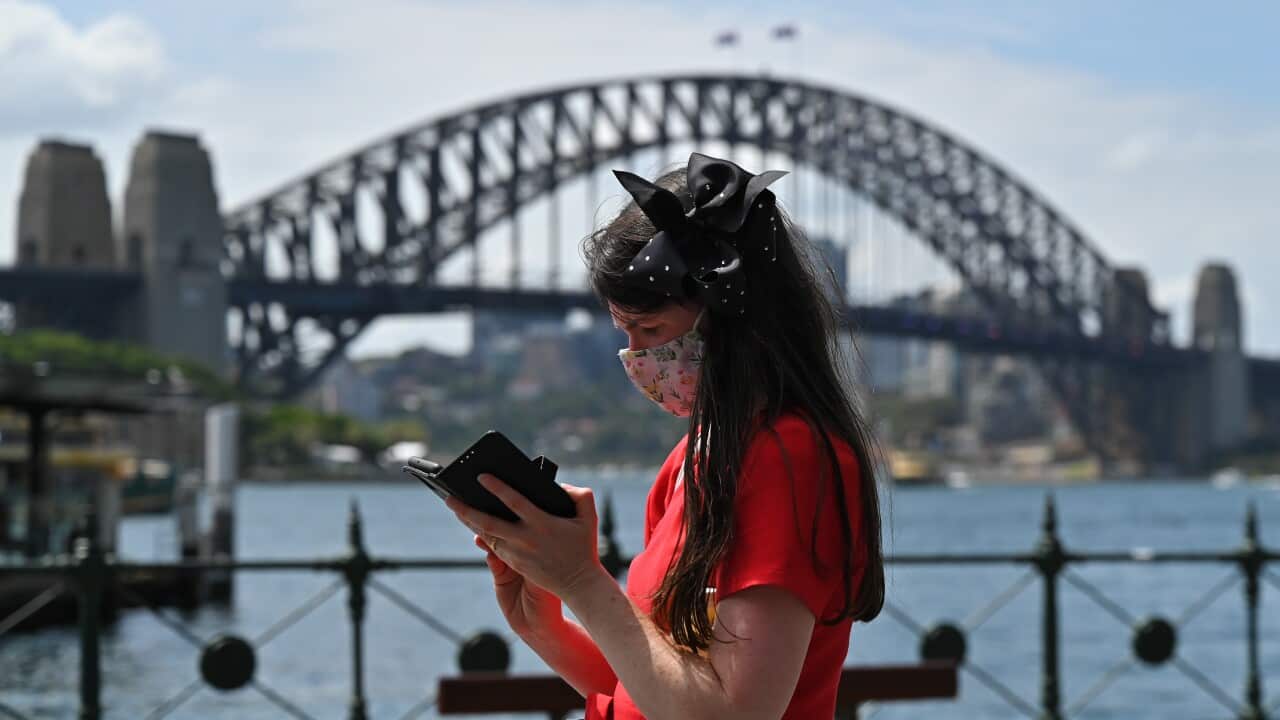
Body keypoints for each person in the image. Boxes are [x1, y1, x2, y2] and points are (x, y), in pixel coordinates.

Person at [444, 152, 885, 720]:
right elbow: (651, 689)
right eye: (625, 332)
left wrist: (582, 580)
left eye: (650, 329)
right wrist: (543, 624)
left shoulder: (788, 457)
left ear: (731, 319)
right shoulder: (690, 462)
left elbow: (733, 714)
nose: (636, 355)